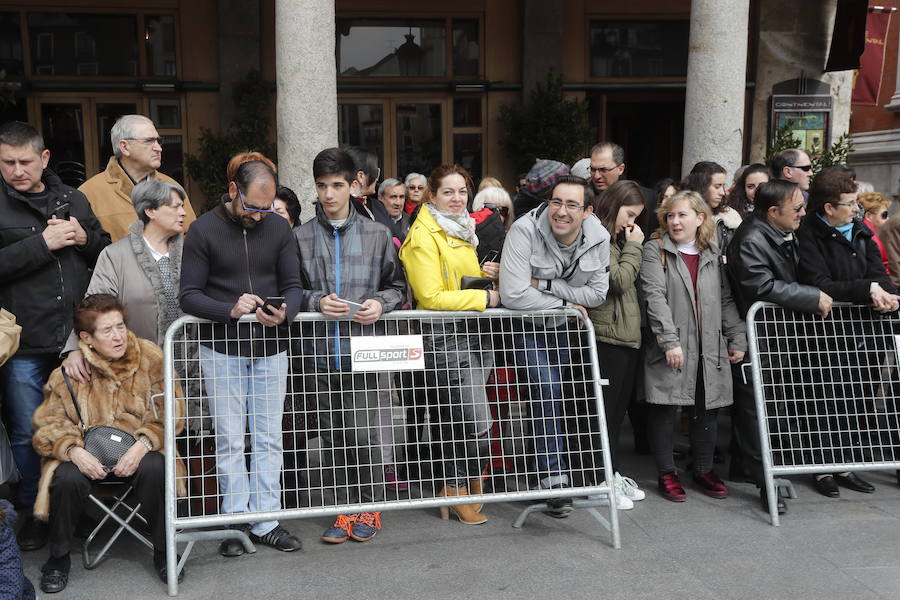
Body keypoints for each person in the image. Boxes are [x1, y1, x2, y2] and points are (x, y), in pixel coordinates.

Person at [179, 156, 304, 556]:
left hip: (271, 348)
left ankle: (266, 519)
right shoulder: (202, 229)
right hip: (221, 347)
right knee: (231, 439)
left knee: (269, 437)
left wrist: (286, 313)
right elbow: (189, 295)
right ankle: (234, 520)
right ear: (234, 191)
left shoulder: (278, 227)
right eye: (252, 207)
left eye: (266, 209)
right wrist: (229, 310)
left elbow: (294, 285)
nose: (258, 216)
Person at [0, 121, 110, 551]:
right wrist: (42, 243)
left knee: (82, 428)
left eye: (24, 161)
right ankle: (34, 513)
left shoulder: (73, 198)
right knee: (30, 432)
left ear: (44, 159)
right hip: (23, 341)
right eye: (7, 162)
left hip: (72, 340)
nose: (15, 170)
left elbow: (106, 253)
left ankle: (75, 507)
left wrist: (85, 238)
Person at [31, 294, 186, 593]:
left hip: (140, 452)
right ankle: (59, 557)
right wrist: (73, 450)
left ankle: (164, 551)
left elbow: (174, 411)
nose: (118, 336)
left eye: (120, 326)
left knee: (156, 465)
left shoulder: (151, 357)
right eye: (107, 330)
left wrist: (143, 443)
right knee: (64, 475)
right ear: (86, 339)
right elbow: (48, 425)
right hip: (88, 456)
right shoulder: (67, 374)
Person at [295, 147, 406, 544]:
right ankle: (345, 510)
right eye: (322, 186)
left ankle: (369, 506)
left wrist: (380, 303)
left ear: (354, 184)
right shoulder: (302, 236)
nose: (329, 194)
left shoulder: (377, 234)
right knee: (333, 435)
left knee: (363, 434)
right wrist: (314, 302)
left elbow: (398, 288)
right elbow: (295, 292)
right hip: (321, 354)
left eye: (337, 185)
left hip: (366, 350)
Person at [500, 175, 610, 516]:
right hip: (525, 327)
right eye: (556, 202)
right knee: (546, 388)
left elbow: (596, 294)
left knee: (550, 394)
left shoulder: (599, 237)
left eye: (571, 205)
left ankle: (541, 474)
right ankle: (554, 477)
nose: (561, 211)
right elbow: (514, 294)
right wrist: (564, 302)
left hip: (563, 329)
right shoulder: (524, 229)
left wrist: (546, 284)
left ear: (587, 211)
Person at [399, 164, 502, 525]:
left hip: (473, 332)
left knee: (459, 419)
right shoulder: (424, 235)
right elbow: (430, 296)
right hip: (445, 336)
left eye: (462, 192)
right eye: (448, 192)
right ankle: (459, 488)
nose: (457, 198)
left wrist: (483, 277)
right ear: (432, 196)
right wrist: (483, 300)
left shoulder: (460, 229)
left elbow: (455, 280)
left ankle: (457, 488)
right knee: (477, 422)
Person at [726, 179, 831, 514]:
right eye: (797, 208)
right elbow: (761, 286)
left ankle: (748, 468)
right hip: (759, 336)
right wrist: (811, 297)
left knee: (768, 410)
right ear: (773, 211)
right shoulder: (752, 238)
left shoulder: (778, 231)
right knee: (756, 412)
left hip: (778, 335)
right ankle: (765, 484)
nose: (803, 213)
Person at [796, 170, 899, 498]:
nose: (857, 208)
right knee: (826, 398)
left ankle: (843, 463)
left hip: (866, 329)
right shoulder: (807, 234)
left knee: (858, 397)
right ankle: (822, 467)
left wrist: (885, 295)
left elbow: (878, 273)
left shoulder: (860, 230)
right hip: (827, 331)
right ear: (828, 208)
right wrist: (867, 289)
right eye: (850, 203)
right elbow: (819, 283)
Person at [639, 190, 746, 503]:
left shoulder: (712, 251)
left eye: (682, 215)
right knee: (664, 405)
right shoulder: (655, 250)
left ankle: (703, 468)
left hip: (709, 342)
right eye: (670, 215)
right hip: (672, 342)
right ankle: (667, 472)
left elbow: (725, 298)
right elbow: (654, 298)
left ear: (700, 218)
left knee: (707, 406)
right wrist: (669, 341)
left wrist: (736, 336)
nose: (674, 221)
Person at [60, 179, 188, 380]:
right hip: (136, 371)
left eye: (182, 206)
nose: (183, 213)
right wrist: (75, 348)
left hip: (192, 371)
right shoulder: (116, 256)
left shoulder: (193, 253)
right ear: (150, 211)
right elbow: (95, 307)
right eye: (176, 207)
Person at [587, 180, 647, 510]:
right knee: (604, 415)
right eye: (629, 214)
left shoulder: (616, 239)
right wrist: (634, 246)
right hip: (606, 335)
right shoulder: (598, 236)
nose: (631, 223)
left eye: (636, 217)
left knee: (616, 414)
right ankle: (600, 479)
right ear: (615, 205)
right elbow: (619, 280)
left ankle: (612, 474)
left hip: (624, 335)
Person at [79, 115, 196, 242]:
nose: (159, 148)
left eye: (158, 141)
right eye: (149, 141)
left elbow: (191, 238)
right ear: (124, 147)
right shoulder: (89, 192)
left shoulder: (172, 187)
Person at [682, 161, 741, 252]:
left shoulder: (731, 216)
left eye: (723, 186)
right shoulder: (679, 216)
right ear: (701, 187)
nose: (722, 192)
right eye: (717, 187)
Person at [470, 185, 512, 263]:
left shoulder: (512, 239)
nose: (497, 214)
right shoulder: (464, 233)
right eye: (491, 209)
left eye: (503, 210)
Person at [858, 191, 892, 274]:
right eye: (884, 215)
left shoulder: (868, 233)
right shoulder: (870, 237)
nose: (888, 218)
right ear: (869, 216)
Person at [374, 177, 410, 242]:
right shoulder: (372, 222)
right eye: (393, 197)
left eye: (401, 197)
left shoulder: (412, 222)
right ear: (380, 198)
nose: (398, 203)